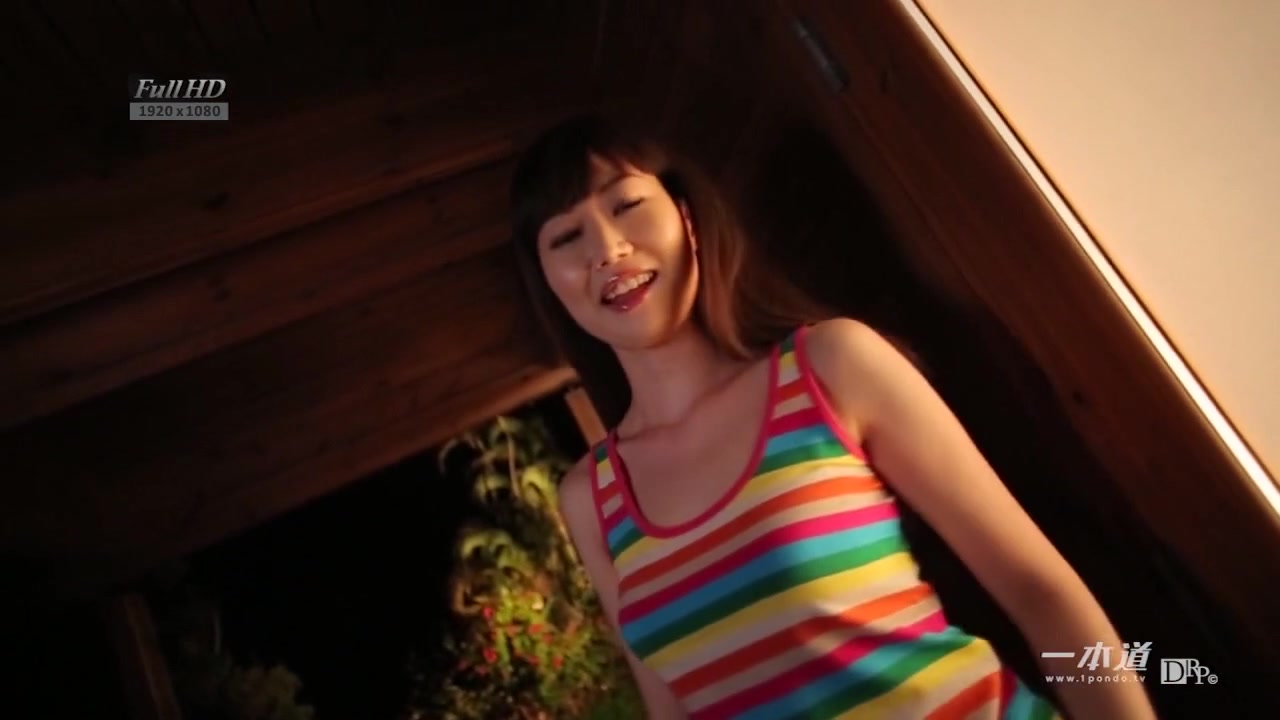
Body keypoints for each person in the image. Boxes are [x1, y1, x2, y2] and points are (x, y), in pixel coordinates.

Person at [508, 114, 1157, 720]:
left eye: (625, 204)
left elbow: (1039, 590)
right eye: (566, 237)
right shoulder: (591, 500)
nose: (608, 248)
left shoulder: (830, 364)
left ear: (686, 219)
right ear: (549, 281)